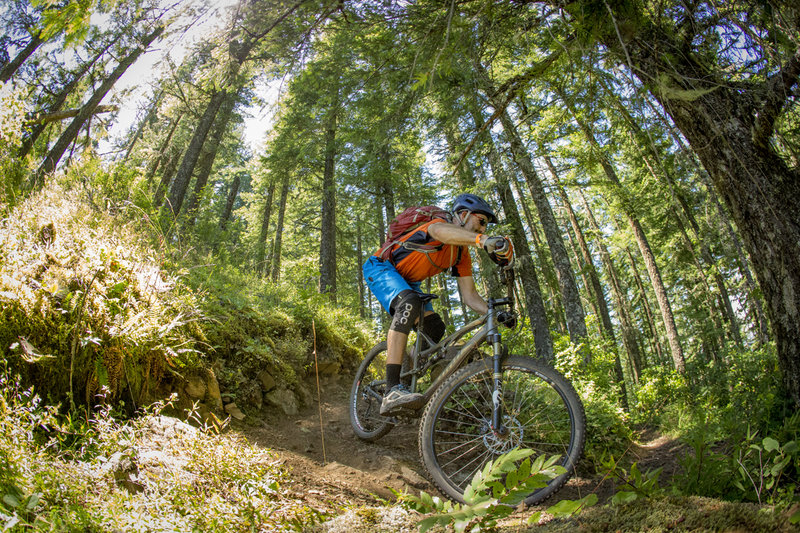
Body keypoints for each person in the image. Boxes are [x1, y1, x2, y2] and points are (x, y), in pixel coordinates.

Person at [362, 193, 515, 415]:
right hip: (381, 266)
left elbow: (470, 296)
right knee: (409, 303)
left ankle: (406, 372)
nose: (482, 229)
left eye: (485, 226)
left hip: (408, 282)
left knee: (436, 328)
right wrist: (482, 241)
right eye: (481, 222)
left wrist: (496, 314)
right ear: (463, 215)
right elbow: (438, 232)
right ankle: (391, 390)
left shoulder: (461, 255)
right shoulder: (439, 225)